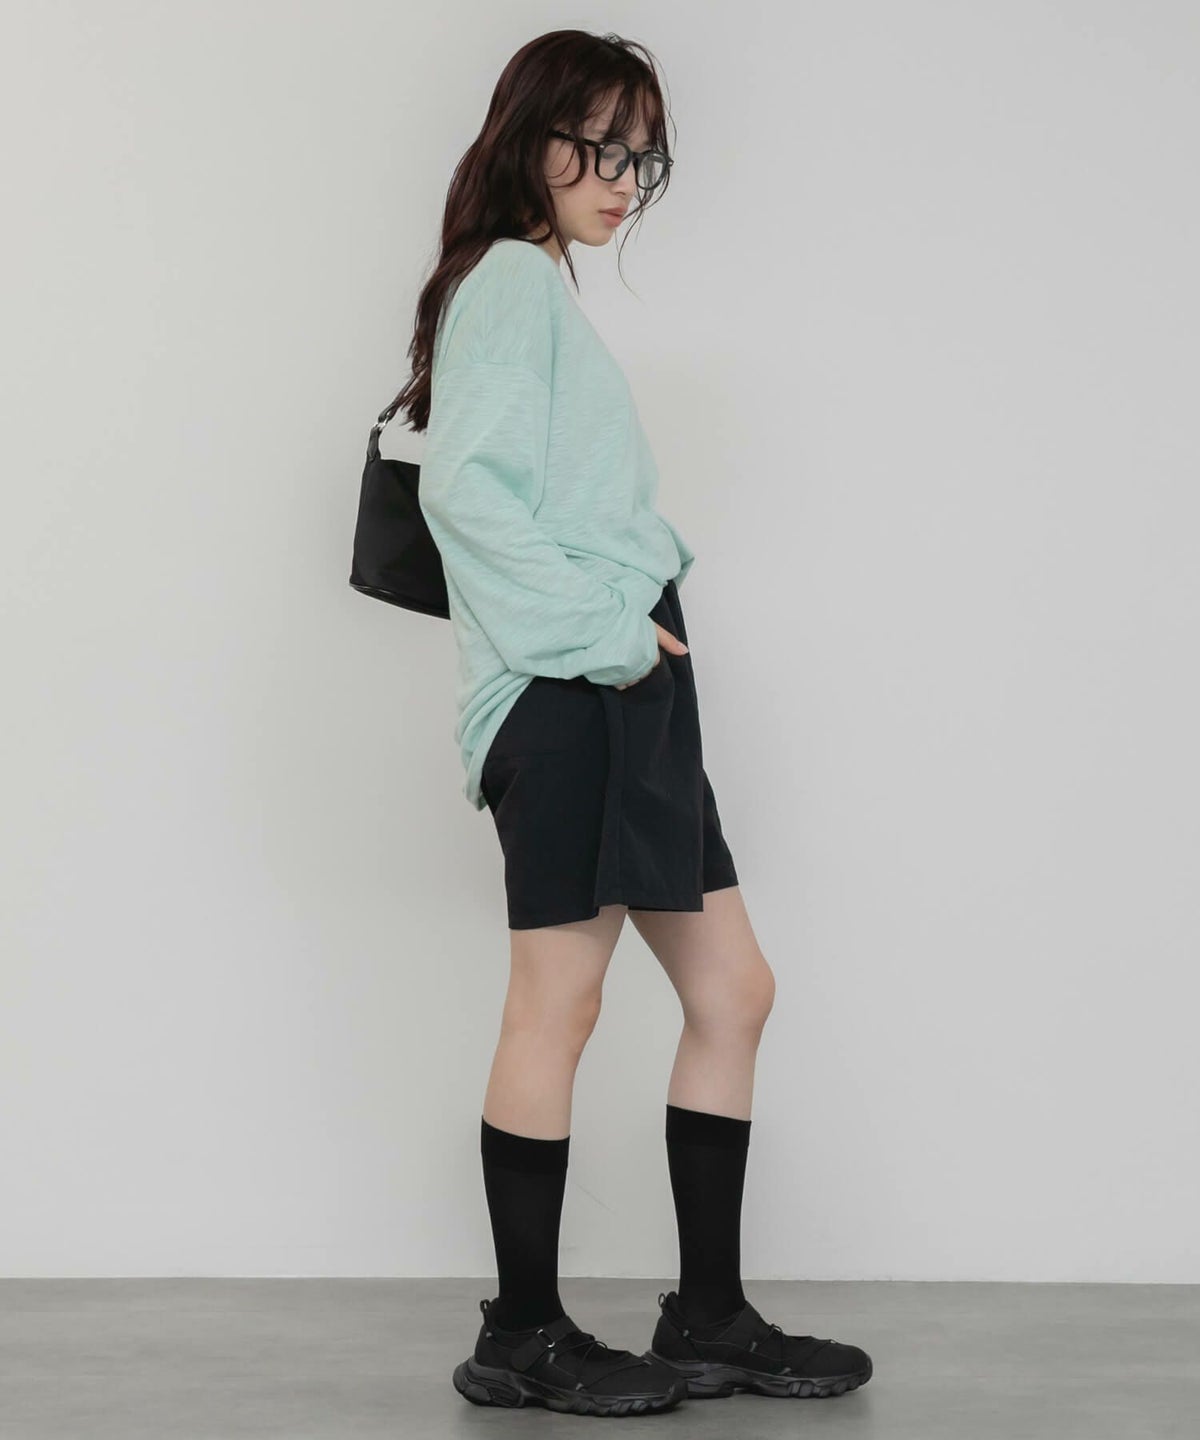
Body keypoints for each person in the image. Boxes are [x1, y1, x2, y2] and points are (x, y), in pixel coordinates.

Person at [392, 29, 873, 1418]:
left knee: (734, 991)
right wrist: (611, 635)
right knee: (560, 1001)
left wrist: (634, 643)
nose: (622, 177)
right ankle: (520, 1335)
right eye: (598, 144)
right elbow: (464, 494)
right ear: (530, 135)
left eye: (641, 156)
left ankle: (708, 1318)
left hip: (623, 696)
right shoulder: (505, 281)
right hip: (570, 695)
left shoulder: (536, 286)